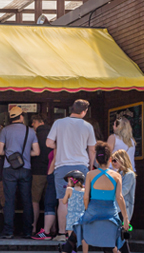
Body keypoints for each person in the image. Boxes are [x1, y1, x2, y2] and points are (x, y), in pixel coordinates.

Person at [60, 141, 129, 253]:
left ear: (96, 160)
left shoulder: (90, 174)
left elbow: (86, 197)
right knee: (119, 235)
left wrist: (87, 210)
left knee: (77, 230)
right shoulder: (117, 176)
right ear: (110, 159)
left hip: (93, 211)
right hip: (110, 212)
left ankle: (66, 250)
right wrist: (125, 218)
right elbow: (119, 197)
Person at [46, 99, 96, 242]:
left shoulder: (59, 123)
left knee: (63, 200)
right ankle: (80, 234)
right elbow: (92, 149)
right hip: (81, 166)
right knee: (82, 199)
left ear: (71, 109)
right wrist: (90, 167)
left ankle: (62, 233)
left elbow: (48, 143)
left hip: (62, 166)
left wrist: (60, 145)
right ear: (84, 111)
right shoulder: (88, 126)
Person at [0, 106, 39, 239]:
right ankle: (27, 231)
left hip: (9, 169)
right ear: (21, 117)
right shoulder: (30, 131)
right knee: (26, 200)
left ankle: (9, 231)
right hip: (25, 168)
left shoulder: (5, 130)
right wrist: (25, 156)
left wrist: (10, 156)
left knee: (9, 201)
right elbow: (37, 152)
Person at [30, 114, 52, 234]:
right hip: (51, 170)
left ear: (38, 122)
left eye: (33, 123)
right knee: (51, 201)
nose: (32, 125)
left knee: (35, 200)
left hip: (37, 171)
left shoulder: (34, 135)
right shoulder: (53, 134)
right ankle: (53, 228)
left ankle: (33, 227)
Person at [111, 149, 136, 221]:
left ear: (122, 160)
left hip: (123, 209)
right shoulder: (117, 174)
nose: (113, 163)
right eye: (112, 161)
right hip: (116, 207)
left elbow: (124, 191)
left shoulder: (129, 174)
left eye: (115, 160)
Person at [61, 170, 85, 236]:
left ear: (74, 180)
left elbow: (64, 201)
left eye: (68, 181)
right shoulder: (85, 191)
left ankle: (70, 246)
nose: (68, 183)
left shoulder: (69, 190)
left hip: (71, 216)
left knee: (71, 235)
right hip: (82, 216)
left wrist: (66, 191)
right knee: (81, 235)